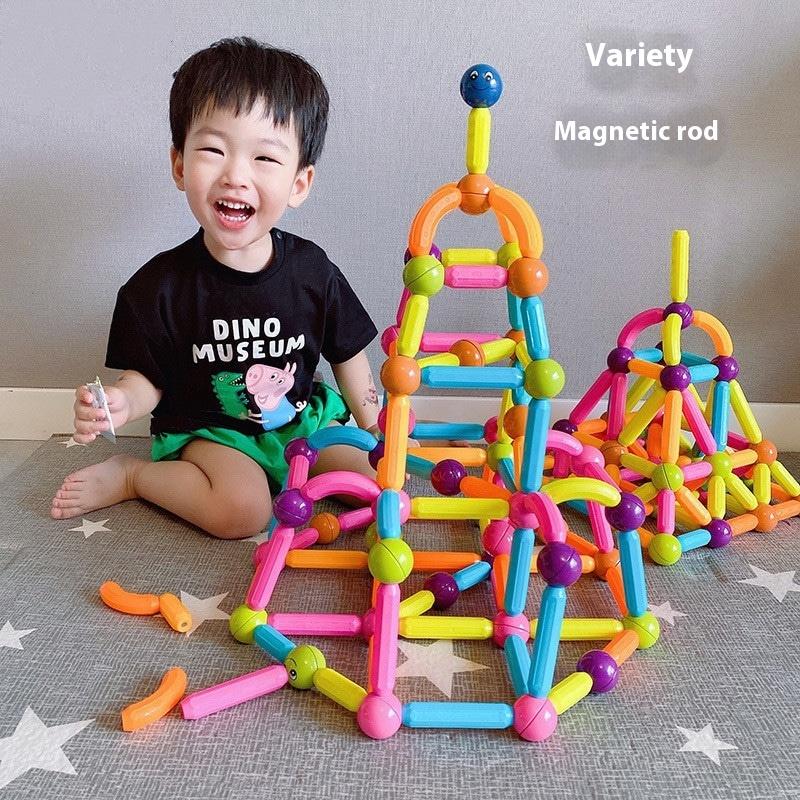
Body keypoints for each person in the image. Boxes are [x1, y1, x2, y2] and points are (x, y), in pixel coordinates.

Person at [50, 37, 381, 539]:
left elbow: (348, 353)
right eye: (213, 150)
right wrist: (121, 402)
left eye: (265, 158)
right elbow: (148, 379)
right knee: (241, 513)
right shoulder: (157, 288)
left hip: (300, 421)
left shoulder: (312, 271)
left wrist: (375, 426)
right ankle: (135, 476)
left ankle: (310, 465)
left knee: (374, 483)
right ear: (180, 165)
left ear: (299, 183)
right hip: (212, 432)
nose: (236, 176)